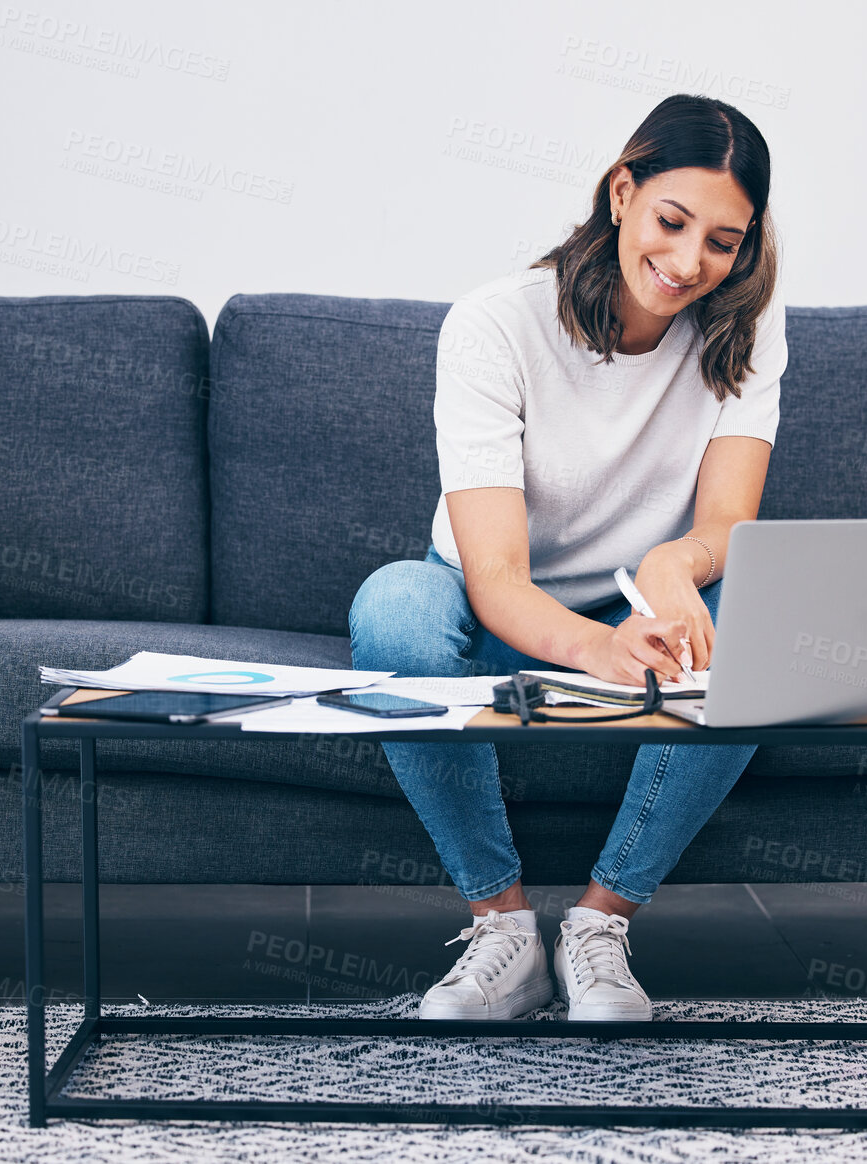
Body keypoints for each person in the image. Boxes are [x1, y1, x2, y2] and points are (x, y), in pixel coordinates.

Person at [347, 93, 786, 1022]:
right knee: (391, 607)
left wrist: (672, 571)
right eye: (671, 222)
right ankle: (503, 933)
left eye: (722, 241)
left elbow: (726, 525)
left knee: (768, 621)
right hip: (491, 614)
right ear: (621, 191)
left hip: (642, 618)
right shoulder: (494, 324)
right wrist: (597, 651)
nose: (687, 263)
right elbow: (496, 578)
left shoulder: (744, 330)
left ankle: (599, 925)